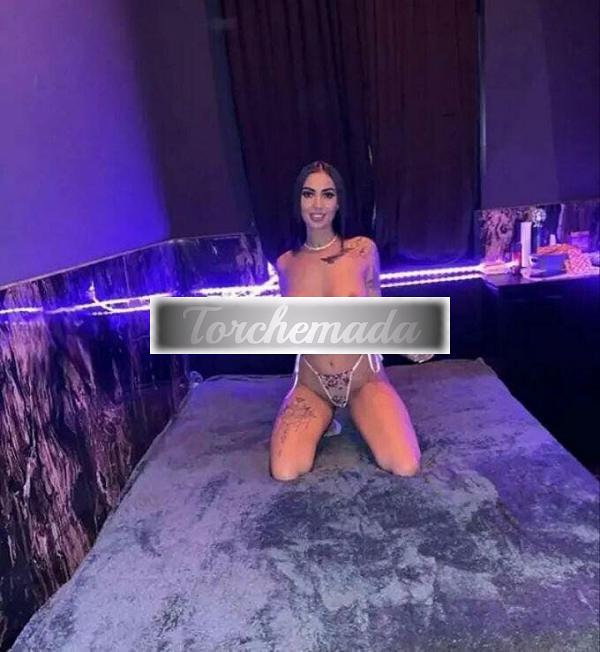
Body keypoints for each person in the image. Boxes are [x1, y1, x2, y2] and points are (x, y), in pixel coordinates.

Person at [269, 160, 422, 481]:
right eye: (308, 194)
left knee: (405, 464)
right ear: (298, 200)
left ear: (338, 202)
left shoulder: (362, 250)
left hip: (363, 379)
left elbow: (377, 310)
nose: (317, 204)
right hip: (311, 384)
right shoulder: (286, 264)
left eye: (327, 194)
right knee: (285, 471)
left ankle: (360, 411)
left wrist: (407, 340)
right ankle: (323, 419)